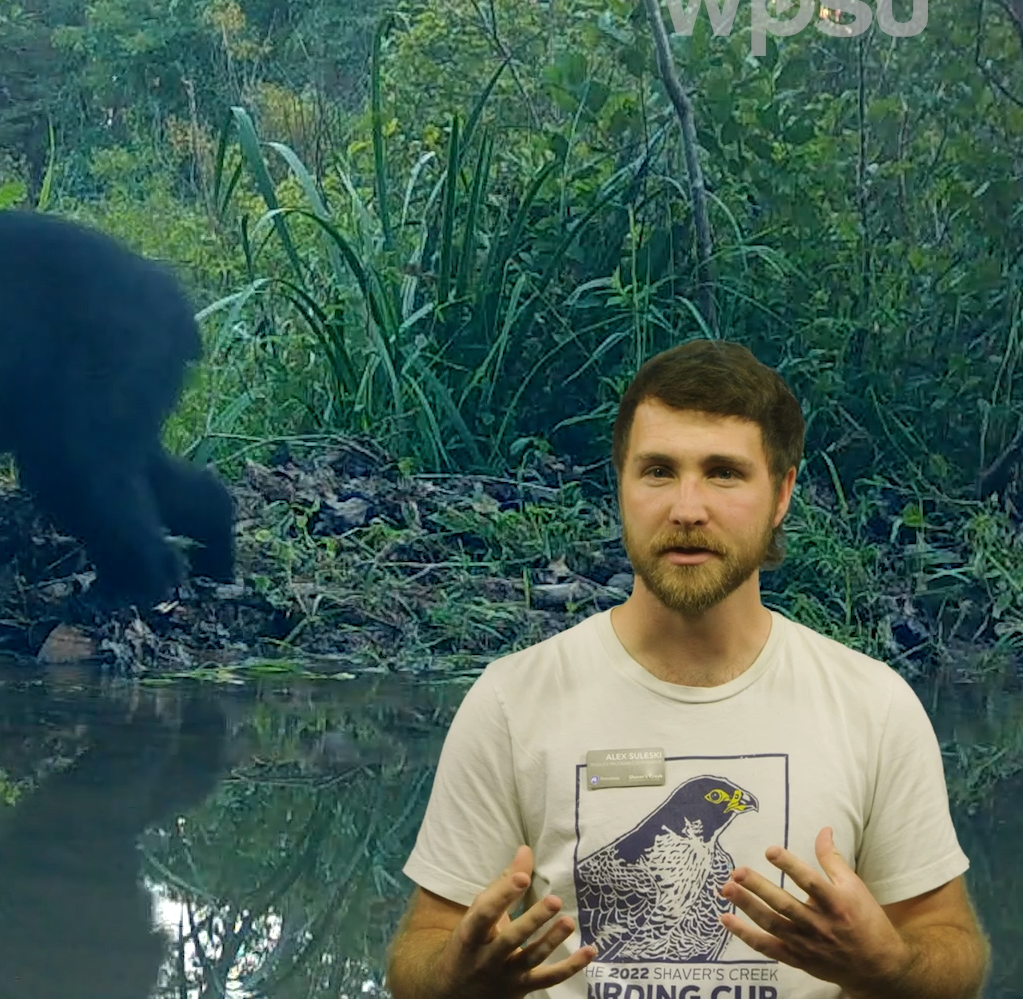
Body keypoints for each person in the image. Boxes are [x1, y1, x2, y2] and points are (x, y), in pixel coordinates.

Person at [383, 339, 989, 999]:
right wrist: (455, 976)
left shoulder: (873, 706)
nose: (688, 508)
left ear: (781, 493)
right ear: (621, 484)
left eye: (724, 473)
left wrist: (893, 966)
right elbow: (421, 949)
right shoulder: (511, 701)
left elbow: (951, 945)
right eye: (658, 471)